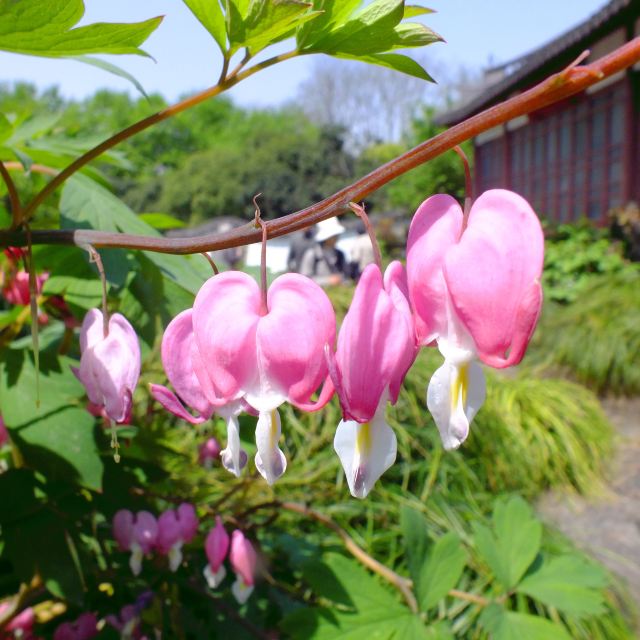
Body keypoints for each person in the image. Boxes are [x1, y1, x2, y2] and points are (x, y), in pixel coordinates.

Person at [299, 218, 347, 286]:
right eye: (333, 235)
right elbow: (305, 280)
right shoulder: (312, 254)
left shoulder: (340, 254)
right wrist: (327, 281)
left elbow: (346, 276)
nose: (336, 238)